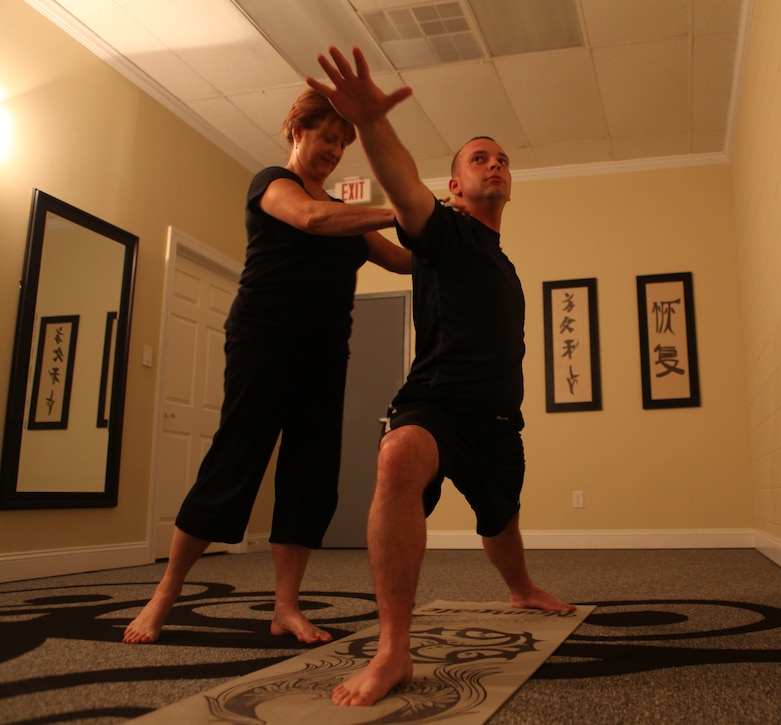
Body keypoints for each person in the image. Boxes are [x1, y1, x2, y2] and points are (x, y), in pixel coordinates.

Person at [306, 46, 576, 708]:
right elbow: (401, 186)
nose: (494, 163)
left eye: (501, 157)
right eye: (478, 158)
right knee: (397, 456)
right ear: (455, 186)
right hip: (436, 404)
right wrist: (371, 123)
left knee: (501, 522)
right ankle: (393, 647)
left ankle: (520, 587)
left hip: (497, 421)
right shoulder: (443, 230)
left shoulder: (503, 265)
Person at [122, 89, 411, 646]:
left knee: (311, 473)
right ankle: (166, 591)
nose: (334, 150)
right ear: (297, 131)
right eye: (327, 136)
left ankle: (286, 607)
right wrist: (400, 207)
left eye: (342, 142)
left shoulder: (347, 215)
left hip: (325, 352)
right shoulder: (272, 183)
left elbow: (401, 259)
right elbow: (309, 218)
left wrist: (452, 233)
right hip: (263, 339)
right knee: (236, 459)